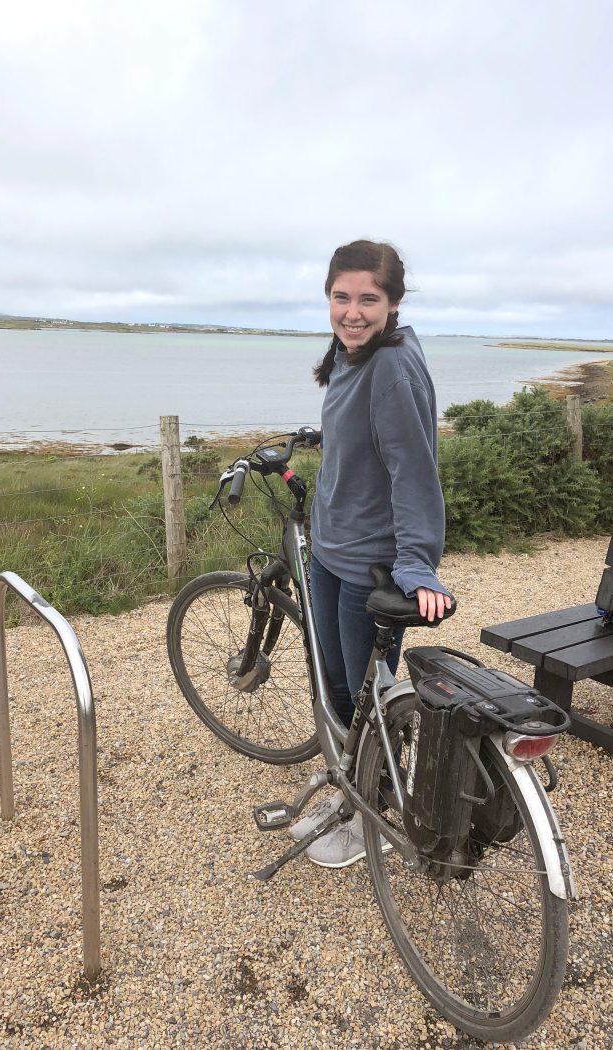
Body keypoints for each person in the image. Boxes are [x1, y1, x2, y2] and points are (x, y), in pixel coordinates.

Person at [290, 239, 452, 868]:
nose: (352, 312)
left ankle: (371, 814)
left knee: (368, 704)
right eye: (341, 297)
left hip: (370, 567)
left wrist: (416, 564)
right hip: (330, 551)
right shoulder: (352, 354)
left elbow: (414, 470)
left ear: (393, 303)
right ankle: (351, 791)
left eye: (368, 299)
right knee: (337, 687)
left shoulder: (390, 367)